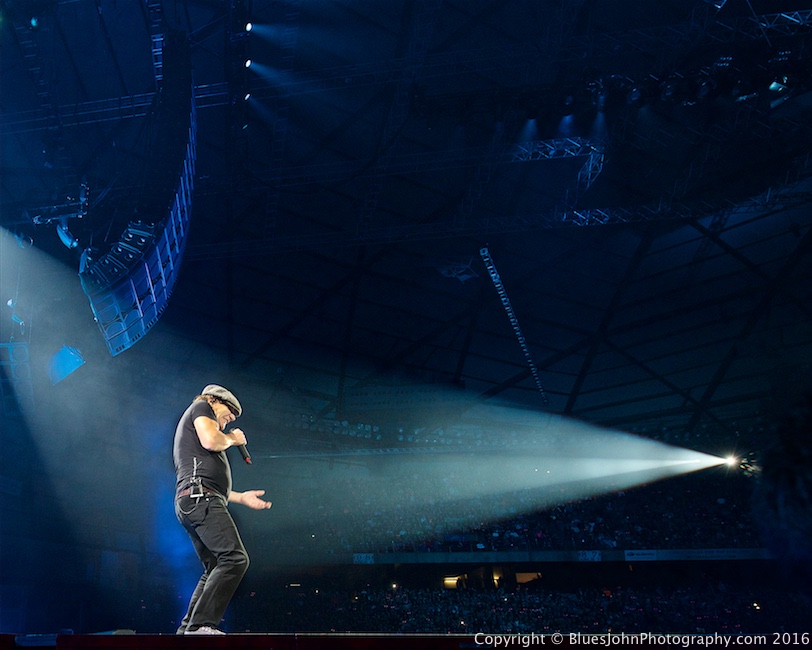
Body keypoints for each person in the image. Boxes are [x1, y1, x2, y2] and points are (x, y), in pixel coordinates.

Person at [172, 384, 272, 635]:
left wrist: (240, 497)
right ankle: (200, 625)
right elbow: (211, 440)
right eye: (228, 415)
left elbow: (209, 480)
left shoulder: (202, 419)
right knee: (235, 558)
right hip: (200, 498)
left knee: (216, 565)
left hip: (197, 498)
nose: (228, 422)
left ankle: (187, 631)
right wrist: (233, 439)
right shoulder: (201, 407)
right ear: (215, 401)